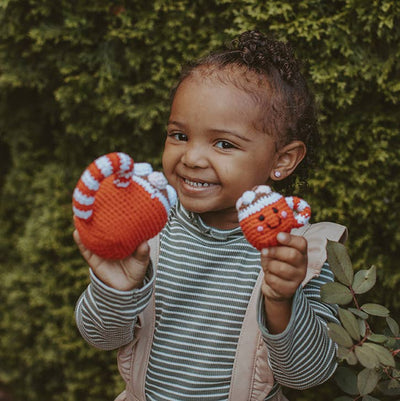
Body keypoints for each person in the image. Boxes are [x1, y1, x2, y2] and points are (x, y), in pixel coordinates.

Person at [74, 30, 347, 401]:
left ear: (282, 160)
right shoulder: (151, 230)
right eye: (179, 135)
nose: (192, 158)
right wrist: (115, 289)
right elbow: (101, 338)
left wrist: (283, 301)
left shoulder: (300, 254)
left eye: (223, 143)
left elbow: (308, 375)